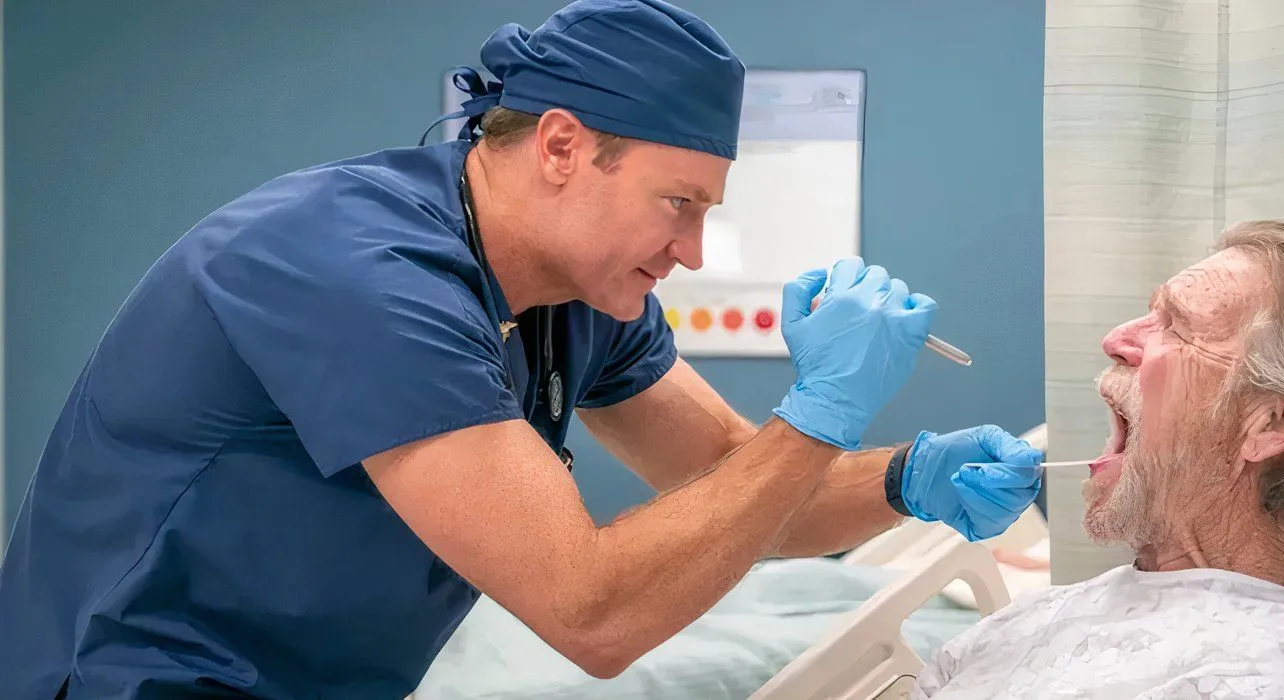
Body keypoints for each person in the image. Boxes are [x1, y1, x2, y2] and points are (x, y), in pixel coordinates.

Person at [0, 1, 1045, 697]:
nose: (686, 251)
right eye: (675, 205)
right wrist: (817, 410)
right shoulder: (352, 271)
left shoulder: (578, 293)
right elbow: (589, 613)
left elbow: (745, 487)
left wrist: (907, 476)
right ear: (558, 147)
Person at [917, 220, 1284, 699]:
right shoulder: (1032, 624)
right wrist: (896, 483)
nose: (1115, 340)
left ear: (1272, 423)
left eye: (1175, 324)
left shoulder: (1283, 677)